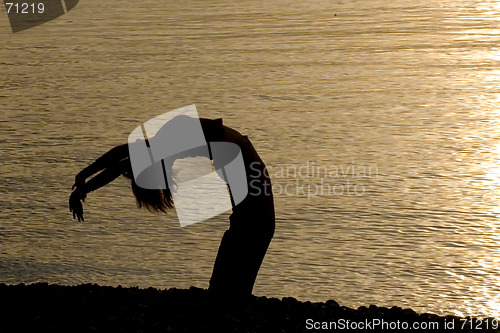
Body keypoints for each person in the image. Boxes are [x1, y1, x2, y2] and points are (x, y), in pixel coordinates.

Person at [69, 117, 275, 300]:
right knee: (246, 233)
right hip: (242, 164)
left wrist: (84, 181)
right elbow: (123, 159)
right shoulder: (165, 141)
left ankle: (230, 297)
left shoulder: (166, 141)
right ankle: (230, 296)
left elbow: (121, 158)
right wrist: (84, 183)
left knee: (250, 231)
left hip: (244, 164)